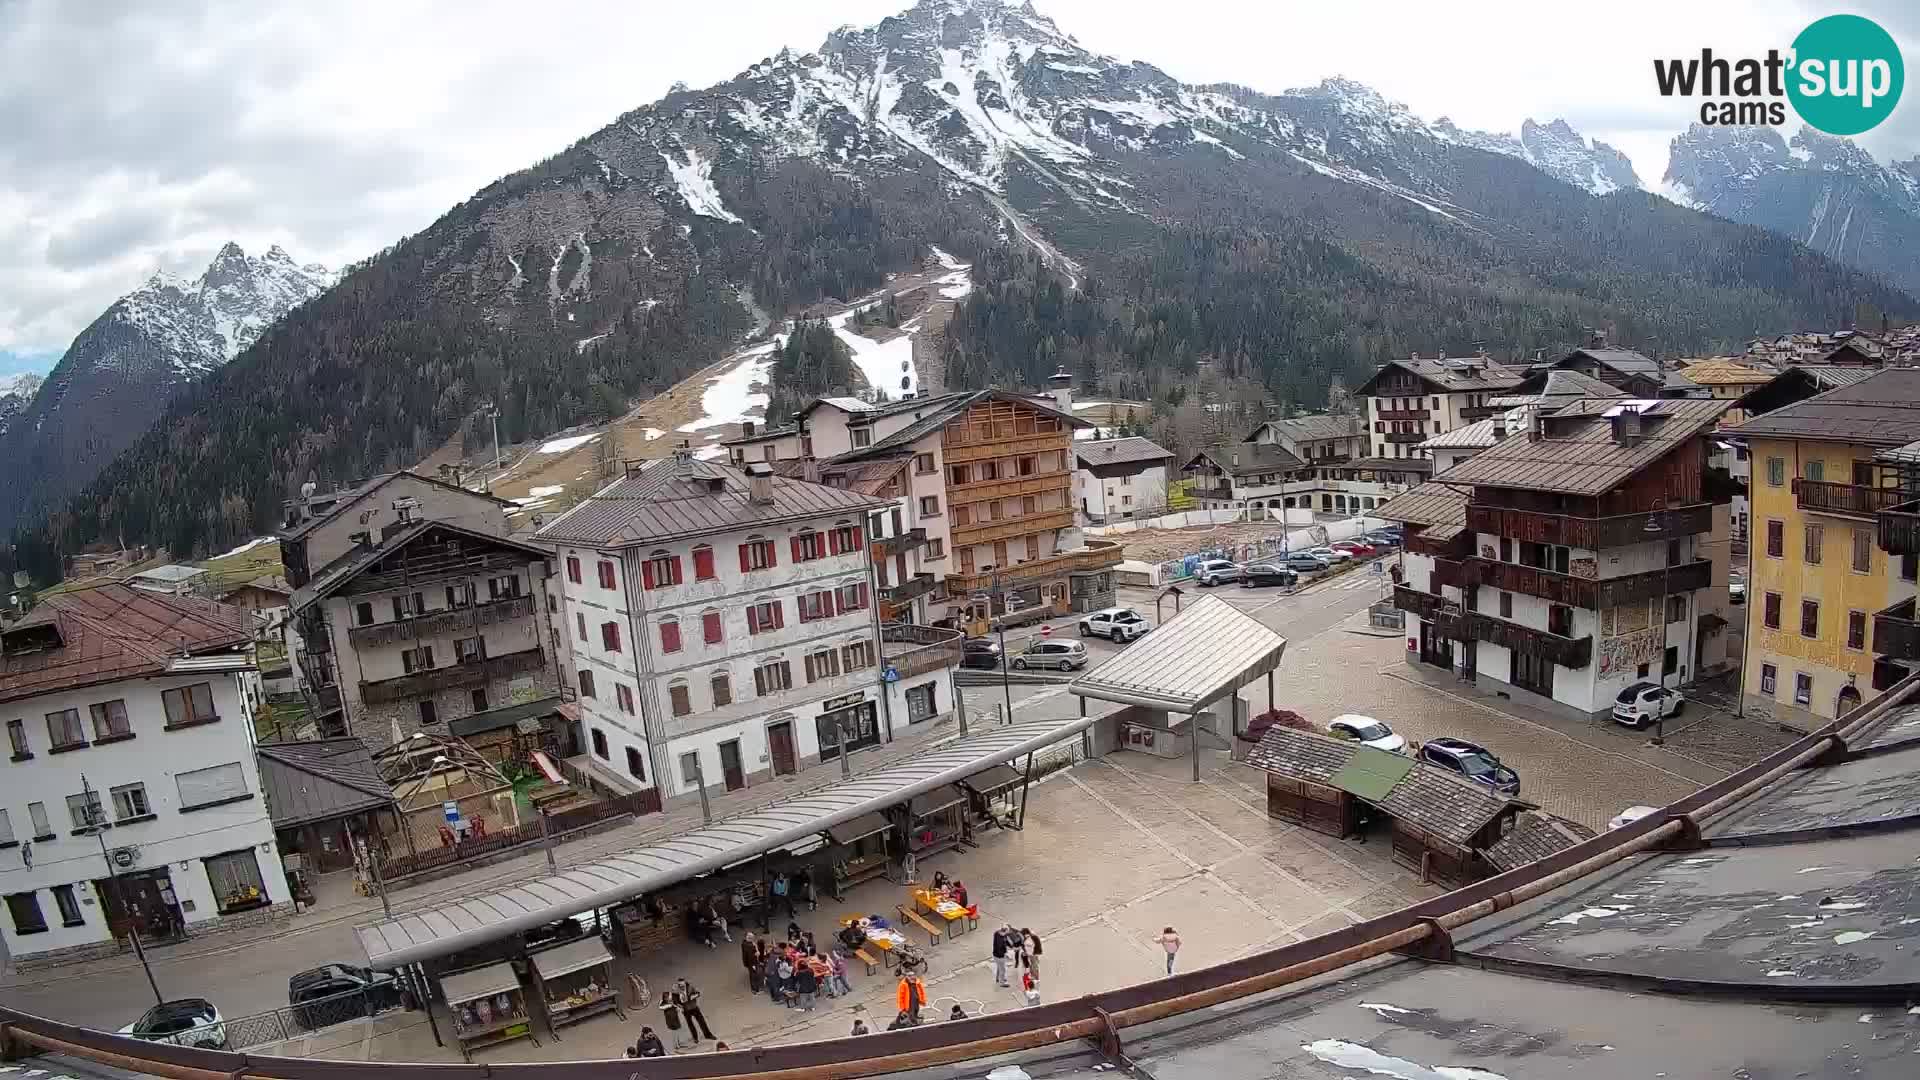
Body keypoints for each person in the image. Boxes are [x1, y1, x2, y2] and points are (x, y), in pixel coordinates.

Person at [676, 978, 716, 1042]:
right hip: (686, 1010)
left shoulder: (690, 987)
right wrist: (680, 1007)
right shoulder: (677, 990)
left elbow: (698, 993)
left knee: (702, 1022)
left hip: (694, 1007)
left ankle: (708, 1035)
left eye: (682, 985)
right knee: (690, 1025)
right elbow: (676, 1001)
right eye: (679, 985)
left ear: (685, 983)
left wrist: (690, 997)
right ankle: (695, 1038)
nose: (681, 986)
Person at [658, 984, 689, 1050]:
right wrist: (670, 1005)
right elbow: (661, 1007)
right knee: (674, 1033)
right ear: (665, 998)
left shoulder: (672, 1002)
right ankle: (676, 1045)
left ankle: (679, 1043)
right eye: (668, 998)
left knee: (678, 1031)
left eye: (670, 997)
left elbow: (677, 1006)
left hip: (676, 1019)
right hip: (671, 1021)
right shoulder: (663, 1003)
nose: (669, 999)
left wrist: (679, 1008)